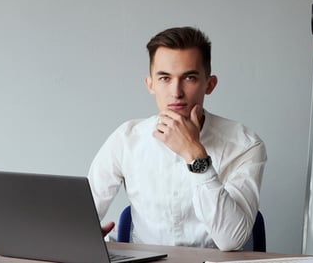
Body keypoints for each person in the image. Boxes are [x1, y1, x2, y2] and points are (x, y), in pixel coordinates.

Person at [87, 26, 267, 251]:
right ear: (150, 84)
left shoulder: (245, 145)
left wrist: (194, 154)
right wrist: (82, 234)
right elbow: (81, 215)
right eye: (164, 78)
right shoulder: (126, 139)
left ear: (209, 84)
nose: (176, 92)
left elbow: (231, 240)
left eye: (189, 77)